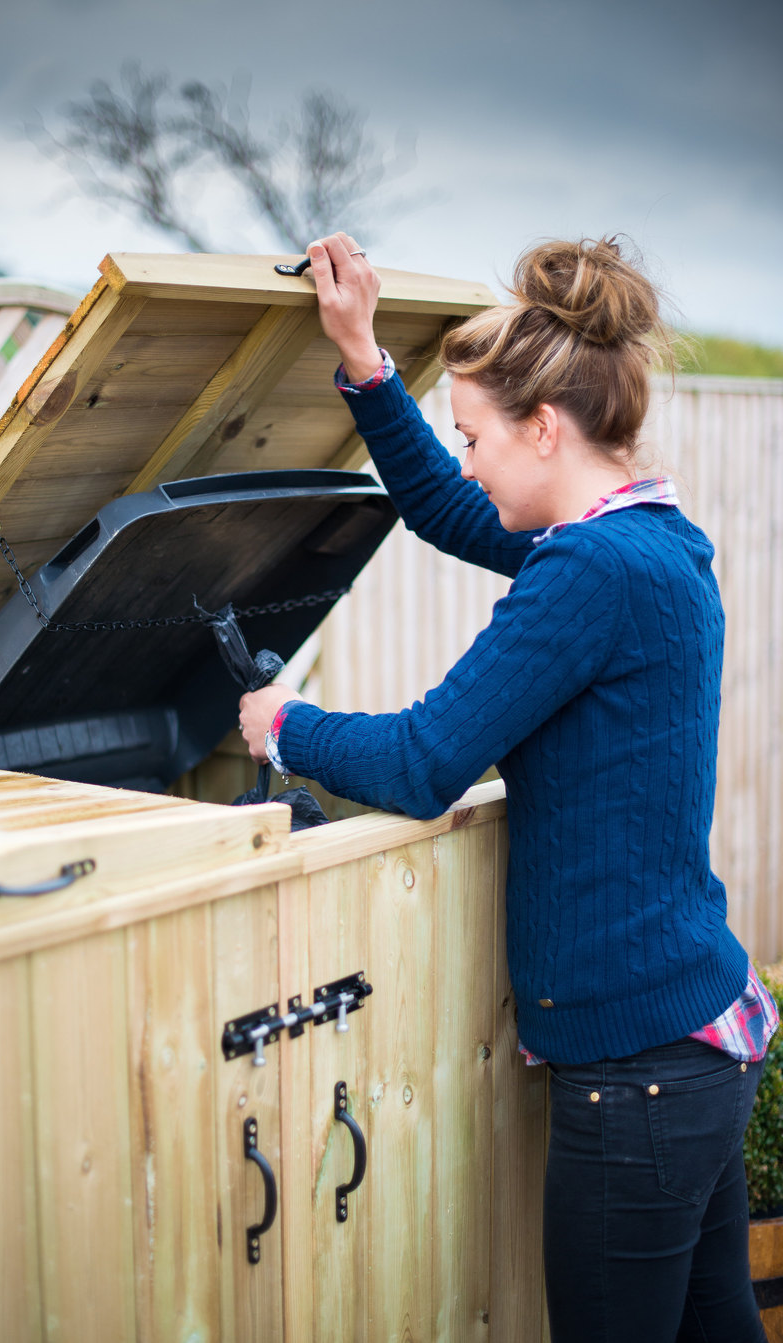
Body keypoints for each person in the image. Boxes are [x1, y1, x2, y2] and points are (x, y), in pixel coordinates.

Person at [238, 231, 778, 1343]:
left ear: (543, 427)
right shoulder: (647, 540)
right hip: (694, 1036)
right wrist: (362, 361)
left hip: (635, 1077)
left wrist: (280, 724)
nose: (467, 458)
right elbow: (447, 507)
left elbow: (421, 762)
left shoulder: (585, 572)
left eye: (475, 435)